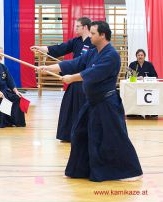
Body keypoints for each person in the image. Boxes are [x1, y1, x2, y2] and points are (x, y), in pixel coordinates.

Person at [38, 21, 143, 182]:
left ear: (102, 35)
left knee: (114, 138)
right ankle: (81, 169)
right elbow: (75, 63)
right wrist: (49, 68)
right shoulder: (93, 52)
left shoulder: (112, 55)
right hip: (93, 103)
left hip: (107, 104)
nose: (90, 36)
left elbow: (93, 73)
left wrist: (71, 78)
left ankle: (130, 171)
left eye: (93, 33)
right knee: (80, 133)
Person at [30, 17, 93, 142]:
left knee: (83, 109)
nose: (75, 29)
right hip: (74, 81)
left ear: (85, 27)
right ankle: (69, 134)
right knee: (68, 107)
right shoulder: (76, 41)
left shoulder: (92, 43)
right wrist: (41, 48)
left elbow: (80, 64)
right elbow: (60, 48)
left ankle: (83, 135)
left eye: (78, 26)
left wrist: (56, 68)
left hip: (84, 81)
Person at [0, 47, 26, 128]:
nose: (0, 56)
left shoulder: (3, 67)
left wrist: (16, 91)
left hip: (4, 91)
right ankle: (1, 122)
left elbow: (10, 81)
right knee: (1, 99)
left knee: (17, 98)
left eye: (2, 54)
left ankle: (16, 121)